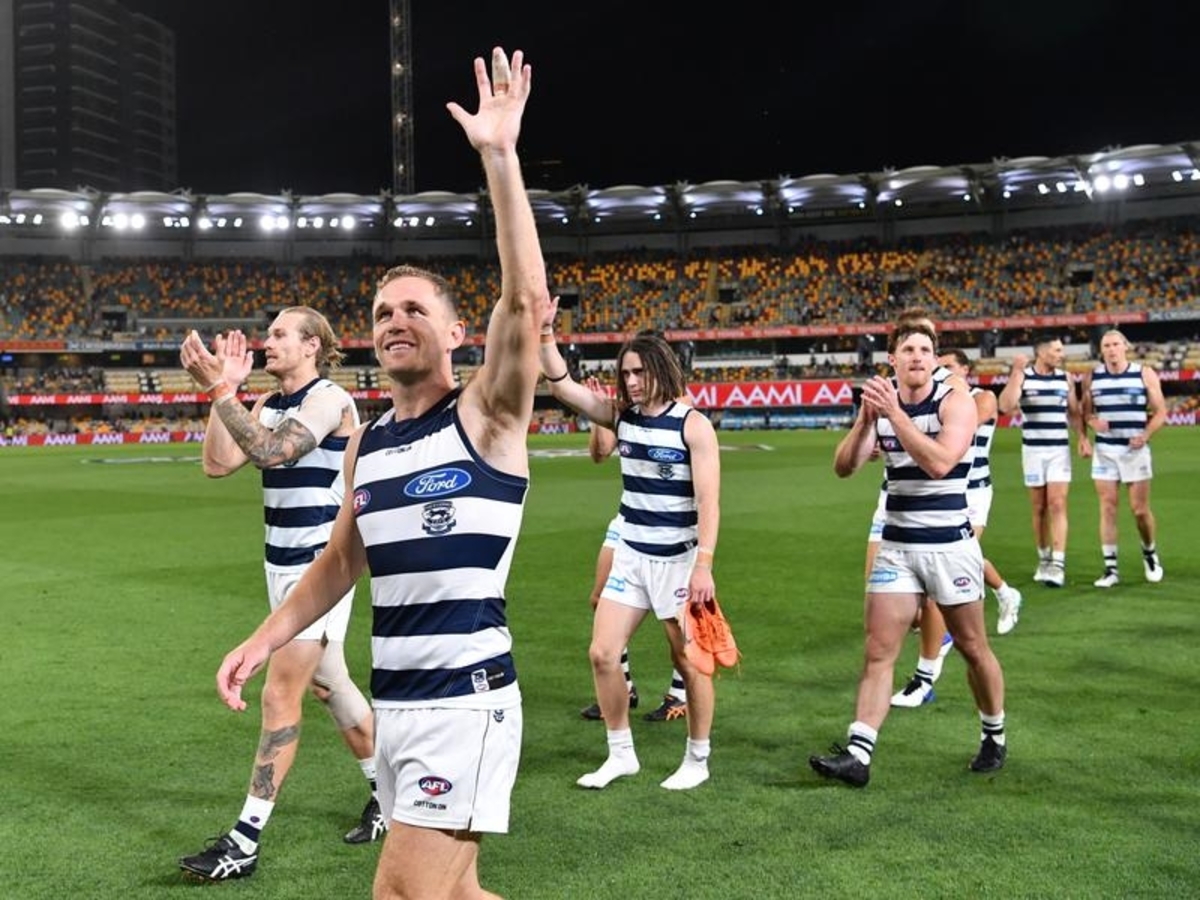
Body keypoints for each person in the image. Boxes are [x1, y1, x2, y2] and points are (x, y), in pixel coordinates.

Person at [210, 47, 550, 899]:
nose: (395, 320)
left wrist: (500, 159)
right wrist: (264, 639)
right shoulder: (372, 443)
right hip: (398, 705)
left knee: (399, 892)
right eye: (382, 312)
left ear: (457, 333)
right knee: (458, 894)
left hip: (463, 701)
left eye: (415, 310)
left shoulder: (486, 415)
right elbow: (338, 562)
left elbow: (522, 300)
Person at [177, 307, 382, 882]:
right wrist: (227, 391)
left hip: (320, 567)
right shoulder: (268, 403)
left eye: (279, 334)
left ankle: (244, 841)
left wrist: (220, 390)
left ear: (313, 345)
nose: (267, 342)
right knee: (329, 685)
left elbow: (271, 453)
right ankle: (389, 794)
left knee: (280, 692)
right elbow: (219, 463)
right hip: (279, 564)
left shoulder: (330, 400)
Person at [811, 318, 1008, 787]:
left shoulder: (954, 399)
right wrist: (866, 421)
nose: (917, 356)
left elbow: (941, 463)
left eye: (924, 349)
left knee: (973, 647)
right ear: (893, 359)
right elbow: (844, 467)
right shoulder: (881, 404)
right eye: (908, 349)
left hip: (949, 545)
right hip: (897, 545)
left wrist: (894, 416)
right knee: (878, 651)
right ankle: (858, 754)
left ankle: (994, 733)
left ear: (935, 358)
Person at [541, 328, 721, 790]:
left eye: (639, 372)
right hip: (631, 556)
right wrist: (544, 334)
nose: (632, 381)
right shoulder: (622, 417)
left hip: (677, 562)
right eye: (626, 373)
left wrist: (704, 564)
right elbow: (563, 387)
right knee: (602, 653)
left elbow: (709, 502)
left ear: (661, 369)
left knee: (690, 663)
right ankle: (621, 754)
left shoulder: (692, 425)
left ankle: (697, 759)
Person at [891, 350, 1024, 707]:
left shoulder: (980, 398)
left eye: (949, 367)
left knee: (941, 575)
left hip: (973, 493)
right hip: (941, 493)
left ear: (965, 369)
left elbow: (961, 426)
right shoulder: (935, 400)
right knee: (949, 568)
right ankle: (1004, 592)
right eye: (940, 366)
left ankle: (925, 677)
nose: (941, 372)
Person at [577, 385, 687, 724]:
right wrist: (598, 415)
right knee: (600, 599)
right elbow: (600, 453)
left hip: (670, 526)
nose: (633, 378)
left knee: (676, 620)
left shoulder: (680, 404)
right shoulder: (628, 407)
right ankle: (623, 687)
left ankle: (681, 693)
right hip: (629, 520)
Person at [1079, 329, 1167, 587]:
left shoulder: (1144, 373)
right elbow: (1086, 412)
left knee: (1140, 511)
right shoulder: (1092, 377)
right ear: (1101, 350)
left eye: (1116, 344)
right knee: (1107, 508)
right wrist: (1093, 422)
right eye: (1106, 345)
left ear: (1125, 347)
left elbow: (1161, 412)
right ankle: (1111, 569)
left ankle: (1149, 553)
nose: (1111, 349)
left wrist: (1146, 434)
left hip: (1135, 452)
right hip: (1105, 451)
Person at [997, 336, 1084, 588]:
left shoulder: (1066, 378)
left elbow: (1074, 412)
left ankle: (1058, 564)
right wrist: (1016, 372)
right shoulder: (1024, 377)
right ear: (1042, 352)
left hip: (1059, 451)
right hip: (1033, 452)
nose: (1061, 354)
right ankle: (1044, 559)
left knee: (1057, 503)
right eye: (1057, 350)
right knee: (1038, 507)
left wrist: (1082, 438)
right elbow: (1005, 405)